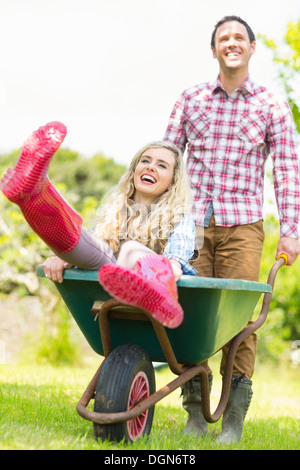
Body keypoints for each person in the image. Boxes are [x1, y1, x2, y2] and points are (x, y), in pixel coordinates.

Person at [164, 15, 300, 443]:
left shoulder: (271, 105)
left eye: (239, 37)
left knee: (241, 321)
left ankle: (234, 418)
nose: (231, 43)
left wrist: (292, 229)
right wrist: (152, 219)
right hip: (193, 228)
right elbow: (166, 158)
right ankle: (195, 414)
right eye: (224, 38)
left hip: (243, 226)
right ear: (214, 50)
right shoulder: (191, 100)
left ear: (252, 47)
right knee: (190, 315)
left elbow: (288, 172)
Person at [0, 121, 198, 329]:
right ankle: (36, 193)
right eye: (145, 160)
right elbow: (92, 246)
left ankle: (159, 293)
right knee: (91, 248)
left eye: (161, 165)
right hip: (114, 284)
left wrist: (173, 265)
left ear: (172, 182)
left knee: (130, 249)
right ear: (134, 171)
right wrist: (64, 258)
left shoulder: (180, 216)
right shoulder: (115, 212)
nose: (150, 166)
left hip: (162, 289)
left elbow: (178, 253)